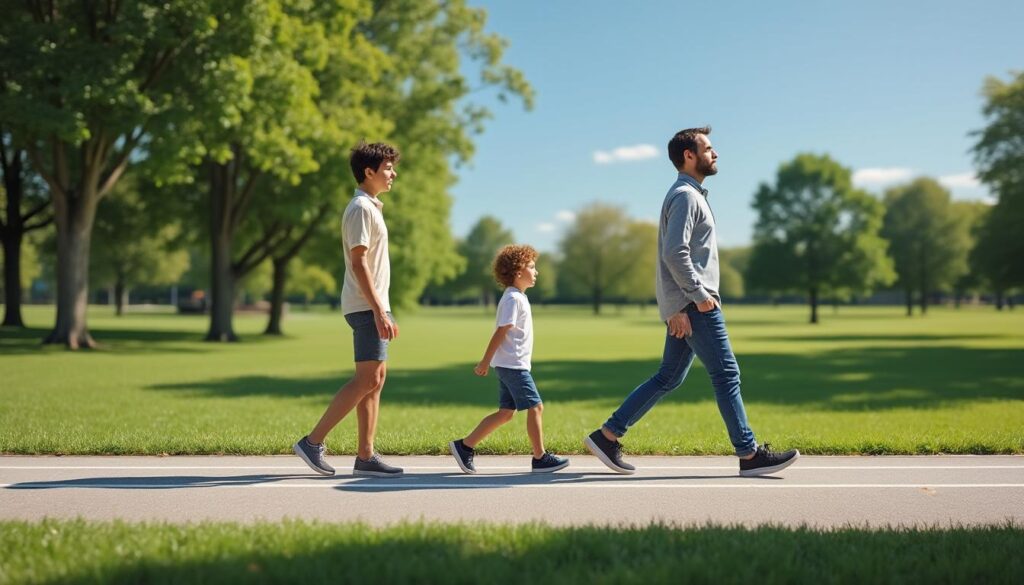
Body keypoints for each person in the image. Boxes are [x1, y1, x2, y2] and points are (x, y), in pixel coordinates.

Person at [583, 126, 799, 477]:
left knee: (668, 377)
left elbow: (674, 255)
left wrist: (675, 306)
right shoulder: (685, 196)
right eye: (709, 148)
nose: (715, 154)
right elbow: (673, 254)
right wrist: (695, 299)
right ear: (689, 155)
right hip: (697, 304)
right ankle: (749, 454)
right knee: (726, 374)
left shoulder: (690, 194)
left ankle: (607, 436)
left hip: (687, 304)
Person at [293, 141, 404, 477]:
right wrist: (378, 310)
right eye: (387, 169)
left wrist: (383, 307)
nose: (393, 174)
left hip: (374, 305)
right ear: (368, 172)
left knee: (375, 380)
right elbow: (359, 263)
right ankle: (312, 442)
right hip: (366, 306)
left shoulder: (371, 207)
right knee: (366, 378)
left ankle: (366, 456)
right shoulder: (360, 209)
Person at [449, 245, 570, 474]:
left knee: (505, 413)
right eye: (532, 267)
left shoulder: (517, 297)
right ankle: (540, 457)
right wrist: (485, 361)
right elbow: (501, 331)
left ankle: (464, 446)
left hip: (511, 364)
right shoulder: (513, 299)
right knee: (536, 407)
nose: (536, 272)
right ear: (517, 271)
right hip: (513, 366)